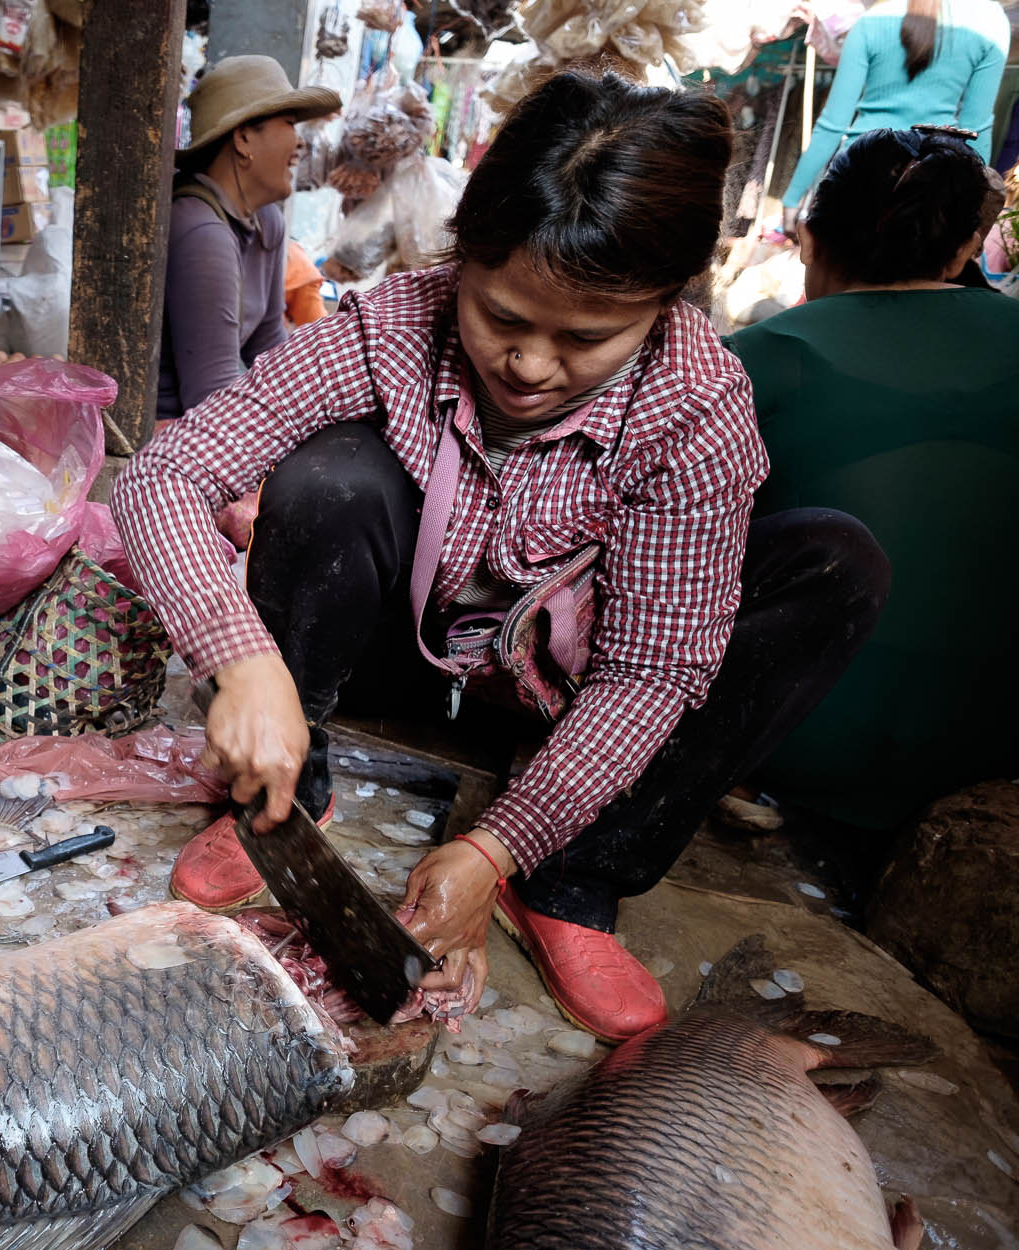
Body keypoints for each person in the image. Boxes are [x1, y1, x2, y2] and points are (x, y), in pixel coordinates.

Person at [114, 72, 888, 1044]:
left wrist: (497, 849)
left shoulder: (695, 405)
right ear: (462, 257)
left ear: (662, 304)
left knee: (832, 564)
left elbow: (649, 674)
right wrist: (241, 660)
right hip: (419, 641)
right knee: (328, 479)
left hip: (579, 679)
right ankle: (285, 787)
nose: (526, 365)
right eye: (501, 317)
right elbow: (162, 475)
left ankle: (568, 879)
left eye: (583, 337)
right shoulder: (399, 321)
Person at [730, 127, 1019, 833]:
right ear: (960, 251)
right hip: (982, 758)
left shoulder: (767, 352)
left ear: (811, 238)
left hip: (784, 744)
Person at [156, 55, 340, 419]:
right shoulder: (201, 231)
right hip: (171, 440)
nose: (299, 144)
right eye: (289, 123)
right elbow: (212, 395)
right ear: (242, 138)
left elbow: (268, 344)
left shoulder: (266, 221)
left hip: (215, 421)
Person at [779, 0, 1010, 232]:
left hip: (855, 178)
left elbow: (832, 124)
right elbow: (976, 128)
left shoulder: (872, 20)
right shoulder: (989, 20)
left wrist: (792, 199)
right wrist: (973, 210)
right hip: (930, 187)